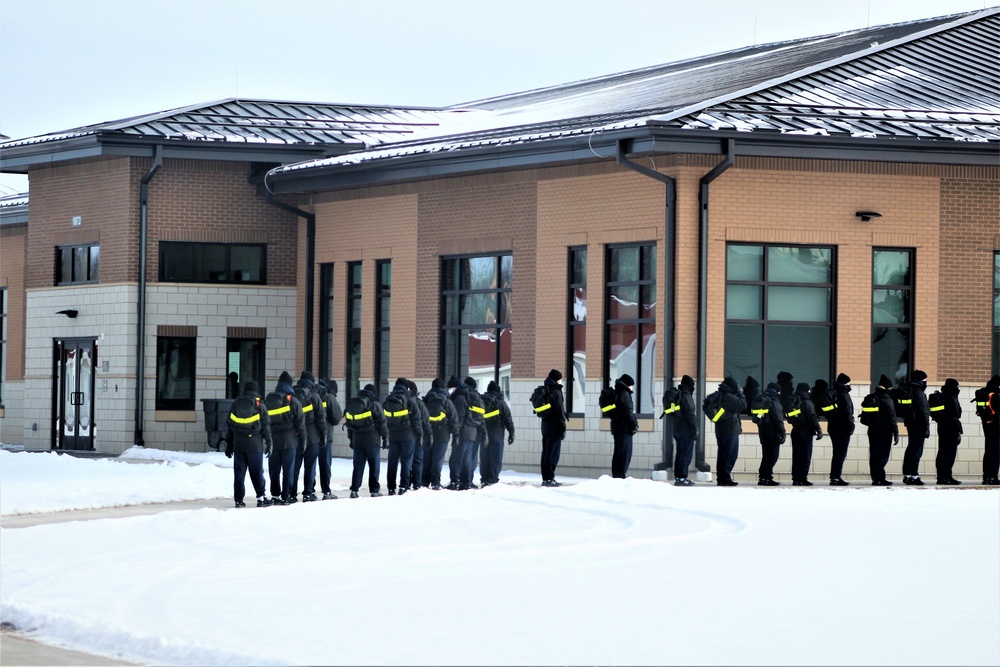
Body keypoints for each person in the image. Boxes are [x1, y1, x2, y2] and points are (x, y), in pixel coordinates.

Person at [224, 381, 273, 507]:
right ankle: (261, 498)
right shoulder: (259, 405)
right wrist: (269, 443)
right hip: (254, 445)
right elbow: (266, 426)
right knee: (257, 472)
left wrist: (229, 445)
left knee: (239, 473)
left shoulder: (236, 404)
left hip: (238, 444)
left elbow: (229, 426)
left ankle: (238, 500)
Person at [265, 371, 306, 505]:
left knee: (274, 470)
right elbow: (301, 423)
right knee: (288, 470)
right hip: (290, 441)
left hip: (273, 441)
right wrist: (303, 441)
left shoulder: (269, 399)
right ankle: (286, 495)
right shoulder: (293, 401)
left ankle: (275, 495)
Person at [346, 383, 389, 498]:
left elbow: (349, 423)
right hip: (372, 439)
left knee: (358, 466)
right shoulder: (375, 404)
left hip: (357, 439)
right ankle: (374, 490)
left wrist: (351, 439)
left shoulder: (354, 404)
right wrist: (385, 438)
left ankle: (354, 490)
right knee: (374, 465)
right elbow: (382, 423)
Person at [384, 378, 423, 496]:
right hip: (408, 436)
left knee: (392, 462)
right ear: (407, 388)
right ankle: (403, 486)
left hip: (393, 436)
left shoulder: (388, 400)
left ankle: (391, 487)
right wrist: (419, 434)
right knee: (406, 461)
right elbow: (416, 419)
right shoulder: (410, 400)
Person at [293, 371, 328, 502]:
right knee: (310, 466)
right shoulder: (315, 396)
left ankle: (292, 493)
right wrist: (324, 435)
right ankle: (308, 493)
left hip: (296, 437)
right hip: (313, 437)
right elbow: (321, 418)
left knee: (295, 466)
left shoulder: (292, 395)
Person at [422, 378, 461, 490]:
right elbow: (454, 419)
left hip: (428, 434)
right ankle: (435, 482)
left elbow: (422, 417)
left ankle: (424, 482)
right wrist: (456, 435)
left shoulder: (427, 399)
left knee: (427, 458)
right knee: (437, 459)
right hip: (443, 435)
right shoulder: (447, 401)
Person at [713, 377, 746, 486]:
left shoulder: (720, 395)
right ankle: (725, 478)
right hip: (730, 430)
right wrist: (740, 393)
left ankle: (721, 478)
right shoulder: (729, 397)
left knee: (722, 455)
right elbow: (743, 405)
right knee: (730, 455)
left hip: (721, 430)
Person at [480, 380, 515, 486]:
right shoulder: (501, 403)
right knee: (496, 457)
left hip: (484, 433)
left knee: (484, 457)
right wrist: (511, 433)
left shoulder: (481, 401)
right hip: (497, 434)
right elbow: (508, 419)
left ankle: (484, 478)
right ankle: (493, 478)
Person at [867, 374, 899, 486]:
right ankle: (880, 477)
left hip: (872, 430)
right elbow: (892, 416)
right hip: (884, 431)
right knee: (883, 455)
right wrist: (896, 431)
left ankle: (876, 478)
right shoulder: (887, 399)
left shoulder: (872, 396)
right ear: (887, 388)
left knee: (874, 454)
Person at [539, 369, 568, 487]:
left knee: (546, 452)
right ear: (557, 380)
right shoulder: (556, 392)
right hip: (555, 427)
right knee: (553, 453)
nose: (561, 381)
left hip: (545, 426)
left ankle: (546, 477)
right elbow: (559, 411)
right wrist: (562, 427)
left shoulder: (546, 390)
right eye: (560, 379)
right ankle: (550, 478)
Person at [901, 370, 931, 485]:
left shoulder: (908, 390)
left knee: (910, 449)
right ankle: (914, 475)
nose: (925, 382)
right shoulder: (919, 393)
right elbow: (924, 412)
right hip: (919, 425)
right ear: (920, 381)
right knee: (916, 451)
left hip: (910, 424)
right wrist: (926, 427)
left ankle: (907, 474)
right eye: (924, 380)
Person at [791, 382, 822, 486]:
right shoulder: (807, 402)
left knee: (796, 456)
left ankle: (796, 478)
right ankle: (803, 478)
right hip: (805, 432)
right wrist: (819, 430)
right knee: (805, 456)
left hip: (795, 431)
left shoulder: (794, 400)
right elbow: (812, 417)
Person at [755, 382, 785, 486]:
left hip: (763, 431)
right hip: (772, 432)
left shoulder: (763, 399)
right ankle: (766, 477)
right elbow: (778, 419)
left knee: (766, 455)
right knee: (772, 456)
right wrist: (783, 432)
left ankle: (763, 477)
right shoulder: (774, 401)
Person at [316, 378, 342, 500]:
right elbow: (337, 417)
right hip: (326, 436)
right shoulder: (329, 397)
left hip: (311, 436)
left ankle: (309, 491)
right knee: (325, 464)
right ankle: (326, 491)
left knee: (310, 465)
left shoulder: (313, 394)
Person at [827, 373, 855, 486]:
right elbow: (848, 413)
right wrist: (851, 426)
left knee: (837, 453)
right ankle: (836, 477)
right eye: (848, 383)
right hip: (843, 428)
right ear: (845, 383)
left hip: (833, 427)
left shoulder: (834, 393)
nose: (849, 385)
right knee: (840, 453)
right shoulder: (844, 394)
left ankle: (835, 476)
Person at [935, 378, 963, 485]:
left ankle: (942, 476)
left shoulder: (944, 396)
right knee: (949, 454)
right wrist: (958, 431)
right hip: (951, 429)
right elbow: (955, 415)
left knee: (942, 452)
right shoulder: (951, 398)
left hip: (942, 428)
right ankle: (946, 476)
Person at [610, 373, 639, 478]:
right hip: (624, 429)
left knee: (618, 452)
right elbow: (628, 412)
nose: (632, 387)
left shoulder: (617, 392)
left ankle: (617, 474)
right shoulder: (624, 394)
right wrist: (634, 424)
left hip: (617, 428)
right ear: (627, 385)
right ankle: (620, 475)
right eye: (631, 385)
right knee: (624, 454)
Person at [671, 375, 698, 486]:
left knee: (679, 454)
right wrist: (695, 429)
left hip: (677, 429)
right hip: (686, 431)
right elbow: (690, 415)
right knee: (685, 455)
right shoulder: (687, 397)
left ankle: (678, 477)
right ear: (690, 386)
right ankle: (682, 477)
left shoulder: (677, 395)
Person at [407, 380, 432, 491]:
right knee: (417, 461)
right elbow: (426, 421)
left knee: (406, 461)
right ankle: (417, 484)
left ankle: (405, 484)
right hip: (418, 436)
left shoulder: (401, 402)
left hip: (404, 437)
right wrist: (429, 434)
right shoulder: (419, 403)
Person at [981, 375, 1000, 485]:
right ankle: (993, 476)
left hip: (987, 425)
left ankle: (986, 476)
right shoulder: (995, 394)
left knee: (988, 451)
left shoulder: (985, 393)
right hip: (996, 425)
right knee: (995, 452)